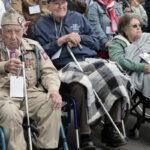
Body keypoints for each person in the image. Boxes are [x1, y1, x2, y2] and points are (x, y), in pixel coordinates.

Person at [31, 0, 132, 148]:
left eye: (63, 2)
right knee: (80, 84)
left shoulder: (78, 18)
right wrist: (59, 41)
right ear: (48, 6)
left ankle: (111, 128)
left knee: (114, 74)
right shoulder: (41, 25)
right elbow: (38, 54)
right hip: (63, 65)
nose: (61, 6)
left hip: (88, 60)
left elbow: (96, 42)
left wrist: (80, 38)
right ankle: (85, 135)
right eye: (57, 3)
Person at [0, 8, 62, 150]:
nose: (14, 36)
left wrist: (53, 89)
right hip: (3, 96)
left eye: (18, 31)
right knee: (10, 113)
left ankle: (47, 147)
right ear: (1, 32)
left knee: (52, 103)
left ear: (24, 30)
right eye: (9, 31)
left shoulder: (33, 47)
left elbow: (49, 71)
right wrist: (4, 66)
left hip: (30, 93)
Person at [109, 13, 150, 100]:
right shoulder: (116, 43)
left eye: (139, 25)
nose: (139, 28)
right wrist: (142, 67)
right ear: (125, 30)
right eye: (135, 26)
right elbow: (119, 61)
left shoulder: (145, 39)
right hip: (129, 74)